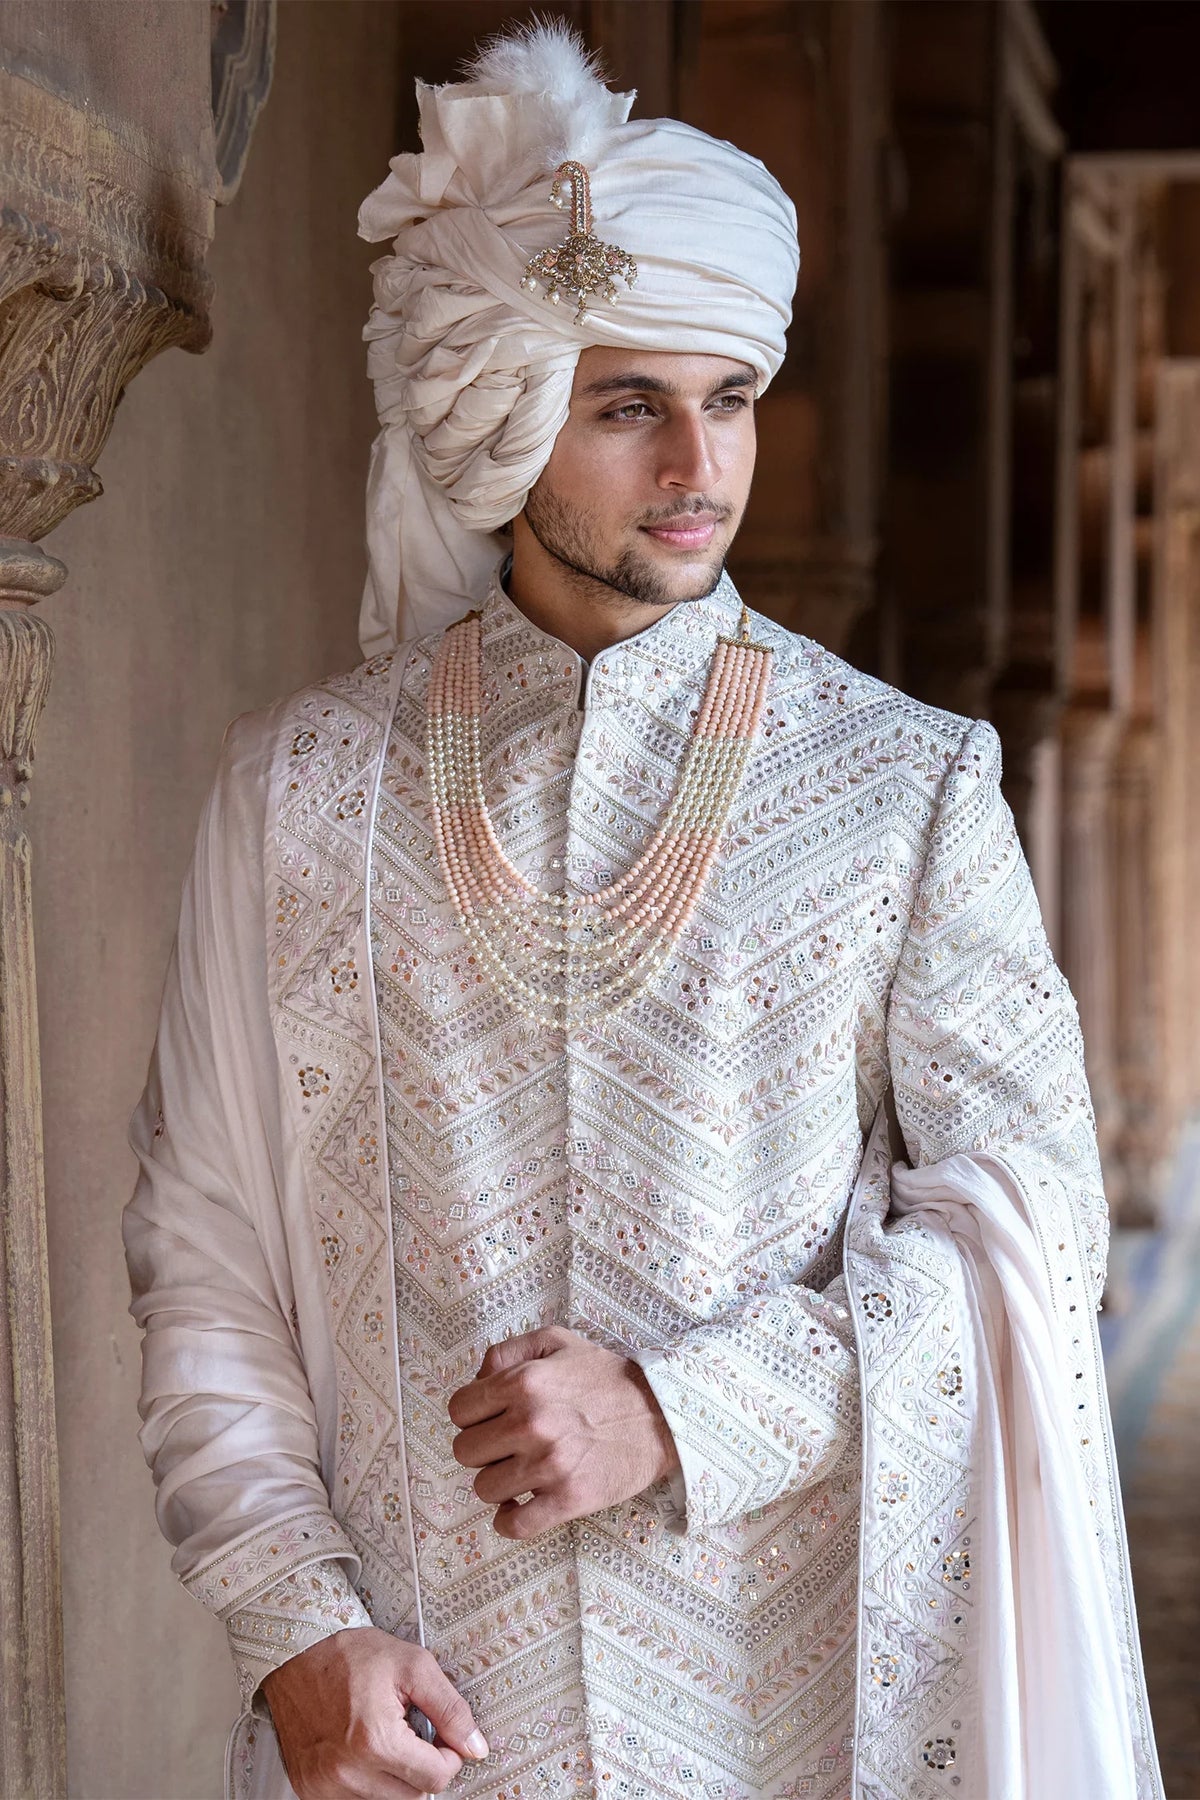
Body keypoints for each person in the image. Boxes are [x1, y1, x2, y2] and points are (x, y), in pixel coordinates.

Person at [124, 20, 1162, 1800]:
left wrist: (684, 1412)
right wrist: (294, 1626)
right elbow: (205, 1251)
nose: (702, 465)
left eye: (736, 397)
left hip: (794, 1727)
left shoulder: (900, 791)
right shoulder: (301, 792)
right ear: (510, 411)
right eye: (629, 405)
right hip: (427, 1740)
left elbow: (1039, 1239)